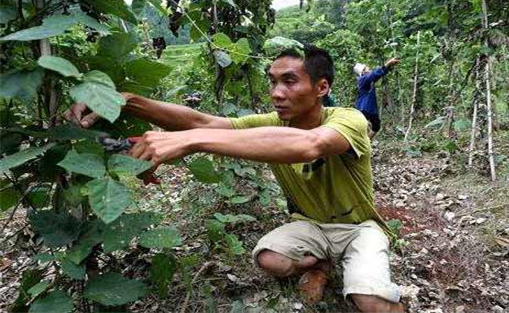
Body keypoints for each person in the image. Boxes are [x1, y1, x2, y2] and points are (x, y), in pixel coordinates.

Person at [65, 45, 405, 313]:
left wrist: (190, 142)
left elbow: (310, 145)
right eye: (272, 81)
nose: (276, 92)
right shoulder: (273, 121)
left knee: (370, 301)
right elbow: (203, 122)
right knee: (269, 259)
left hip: (360, 227)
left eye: (289, 81)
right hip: (311, 225)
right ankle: (321, 264)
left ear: (322, 87)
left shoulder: (350, 119)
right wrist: (126, 101)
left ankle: (351, 272)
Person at [354, 59, 400, 139]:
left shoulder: (367, 79)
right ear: (363, 71)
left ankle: (366, 142)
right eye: (366, 67)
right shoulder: (363, 79)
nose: (369, 68)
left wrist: (388, 66)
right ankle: (361, 144)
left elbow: (377, 75)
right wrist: (387, 63)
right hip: (364, 109)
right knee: (363, 128)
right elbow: (374, 74)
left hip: (369, 109)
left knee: (376, 126)